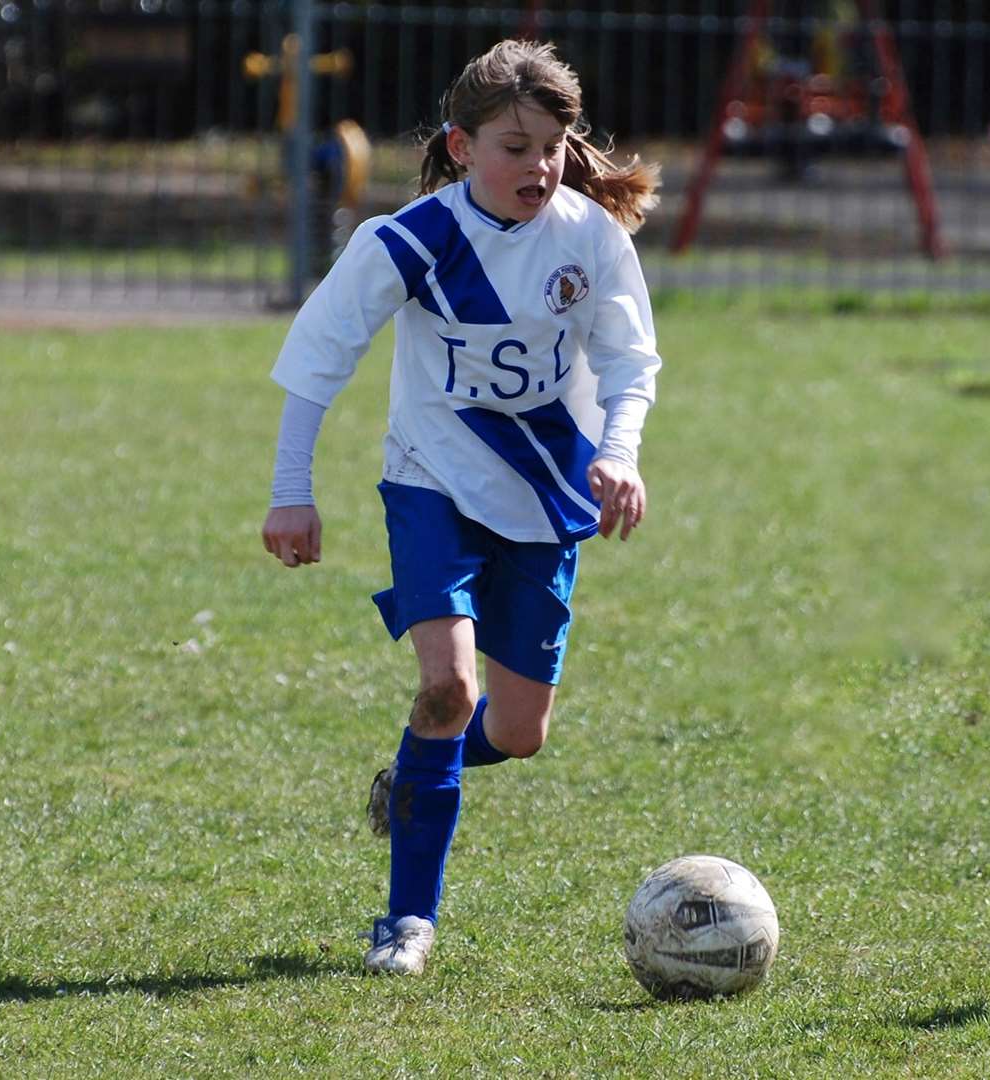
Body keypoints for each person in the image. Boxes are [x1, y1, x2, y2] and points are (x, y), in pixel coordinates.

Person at [260, 38, 662, 976]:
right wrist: (291, 494)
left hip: (544, 497)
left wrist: (619, 454)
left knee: (517, 735)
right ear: (461, 144)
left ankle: (414, 774)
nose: (539, 167)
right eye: (514, 148)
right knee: (448, 689)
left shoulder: (591, 237)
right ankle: (407, 923)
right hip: (431, 485)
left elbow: (630, 362)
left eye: (553, 146)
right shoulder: (407, 241)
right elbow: (317, 361)